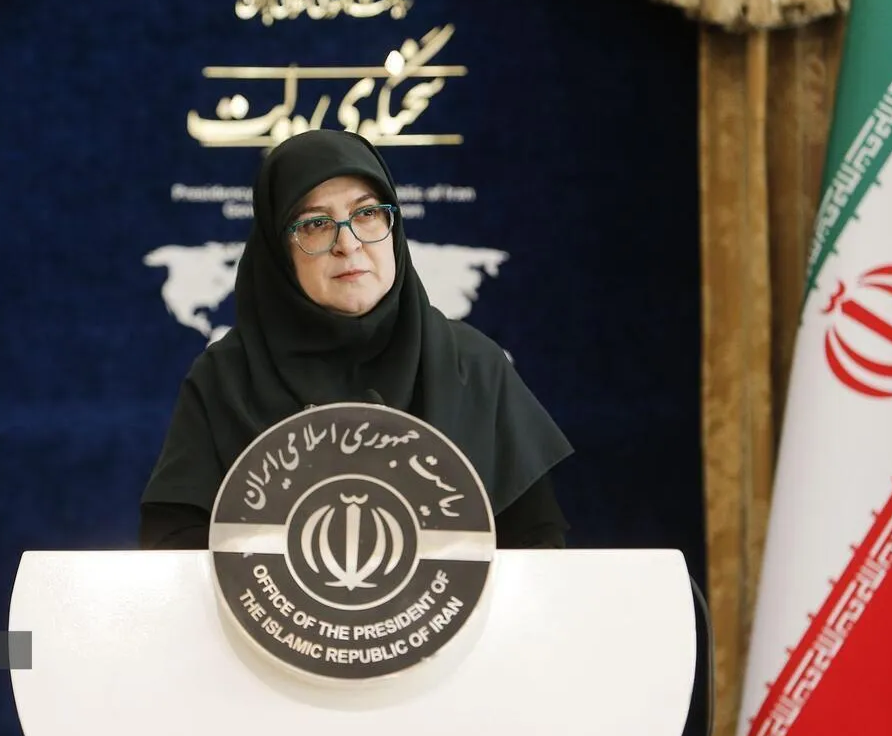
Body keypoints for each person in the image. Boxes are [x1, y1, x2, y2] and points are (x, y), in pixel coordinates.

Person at [139, 129, 572, 549]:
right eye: (315, 223)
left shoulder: (473, 366)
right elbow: (171, 546)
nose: (347, 243)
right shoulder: (226, 378)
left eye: (366, 214)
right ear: (278, 251)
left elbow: (536, 546)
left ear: (393, 225)